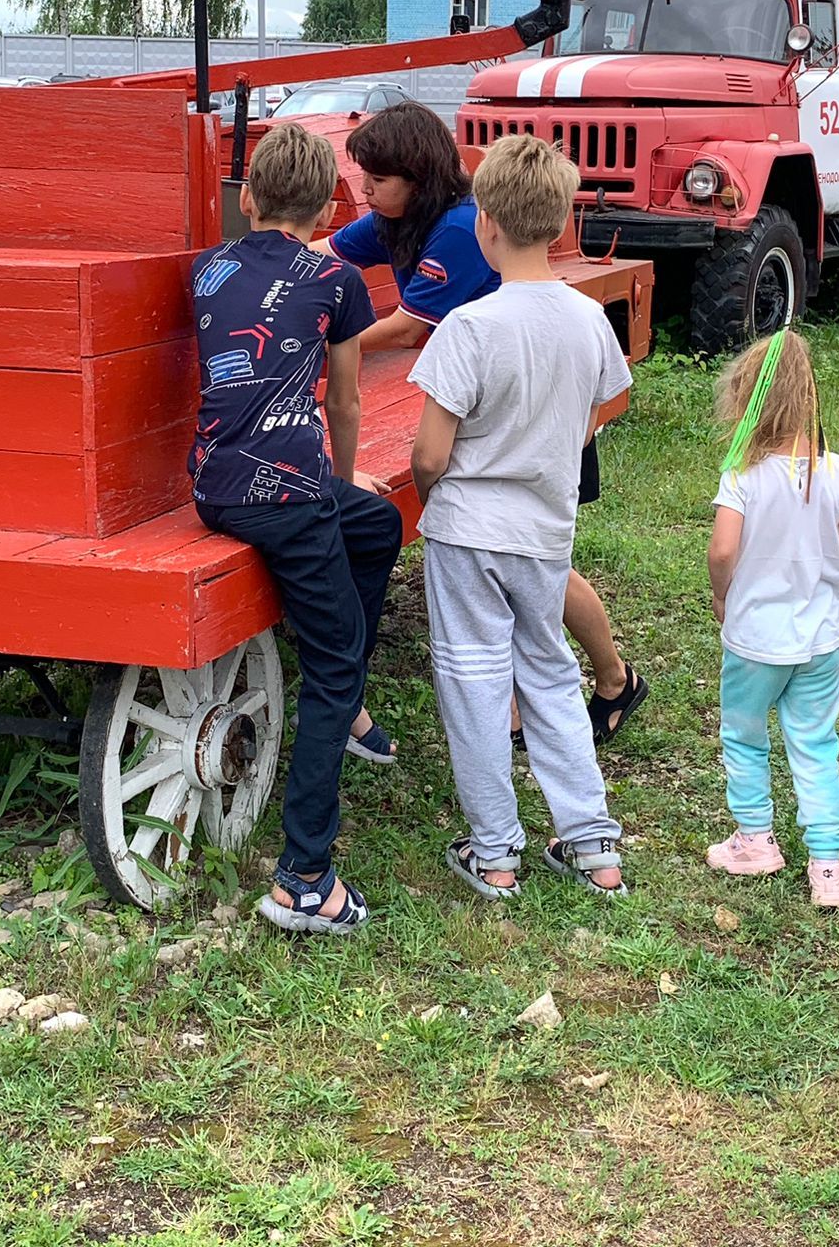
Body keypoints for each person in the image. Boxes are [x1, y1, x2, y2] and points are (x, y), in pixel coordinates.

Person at [313, 100, 647, 744]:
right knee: (525, 567)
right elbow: (325, 249)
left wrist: (329, 346)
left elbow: (411, 327)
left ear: (414, 176)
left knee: (542, 570)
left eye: (375, 180)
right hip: (488, 410)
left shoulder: (461, 231)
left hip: (520, 420)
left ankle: (613, 679)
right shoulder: (394, 217)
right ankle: (529, 708)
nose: (363, 191)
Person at [189, 123, 404, 934]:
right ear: (325, 209)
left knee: (378, 525)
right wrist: (337, 476)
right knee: (336, 653)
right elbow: (344, 400)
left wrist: (345, 495)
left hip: (216, 486)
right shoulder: (335, 277)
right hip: (290, 493)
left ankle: (343, 690)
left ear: (248, 202)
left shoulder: (209, 267)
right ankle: (305, 878)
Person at [409, 134, 632, 899]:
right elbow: (600, 407)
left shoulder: (468, 329)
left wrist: (426, 492)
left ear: (486, 226)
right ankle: (594, 843)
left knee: (473, 681)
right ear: (563, 222)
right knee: (549, 672)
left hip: (469, 531)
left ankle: (495, 850)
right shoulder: (587, 319)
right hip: (544, 533)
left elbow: (432, 453)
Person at [706, 330, 839, 908]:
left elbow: (723, 551)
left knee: (745, 738)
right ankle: (827, 863)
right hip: (819, 641)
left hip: (754, 640)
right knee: (816, 742)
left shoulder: (742, 475)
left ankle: (756, 840)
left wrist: (722, 595)